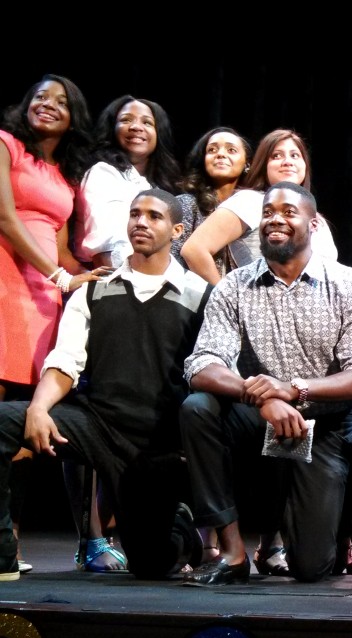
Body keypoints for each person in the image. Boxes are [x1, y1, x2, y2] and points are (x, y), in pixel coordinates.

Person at [181, 182, 352, 586]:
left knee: (311, 567)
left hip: (322, 426)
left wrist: (293, 389)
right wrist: (260, 397)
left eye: (289, 212)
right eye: (268, 212)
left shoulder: (349, 284)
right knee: (198, 408)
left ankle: (307, 527)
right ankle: (232, 552)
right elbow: (201, 364)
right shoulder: (234, 286)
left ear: (314, 224)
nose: (275, 219)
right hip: (258, 418)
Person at [1, 189, 209, 580]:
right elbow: (65, 362)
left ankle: (181, 531)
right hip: (96, 425)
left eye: (154, 216)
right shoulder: (94, 291)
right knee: (2, 421)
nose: (141, 222)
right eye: (135, 214)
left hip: (157, 443)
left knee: (151, 566)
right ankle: (1, 553)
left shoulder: (199, 295)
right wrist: (39, 407)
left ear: (177, 230)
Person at [1, 74, 104, 399]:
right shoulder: (6, 144)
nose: (48, 105)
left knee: (27, 393)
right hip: (6, 279)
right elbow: (5, 218)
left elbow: (62, 251)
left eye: (61, 102)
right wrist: (61, 278)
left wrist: (98, 278)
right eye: (41, 97)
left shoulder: (64, 176)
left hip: (42, 294)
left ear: (73, 119)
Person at [180, 129, 338, 284]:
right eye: (276, 156)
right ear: (264, 165)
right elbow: (194, 250)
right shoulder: (250, 201)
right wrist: (224, 296)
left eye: (295, 155)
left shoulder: (318, 219)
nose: (288, 161)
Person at [77, 95, 180, 269]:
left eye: (147, 122)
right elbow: (105, 248)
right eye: (126, 120)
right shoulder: (103, 173)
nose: (136, 127)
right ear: (112, 129)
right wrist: (120, 284)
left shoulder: (158, 185)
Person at [172, 127, 252, 272]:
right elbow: (173, 262)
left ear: (247, 163)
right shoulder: (186, 204)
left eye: (231, 150)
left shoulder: (253, 207)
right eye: (212, 150)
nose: (220, 154)